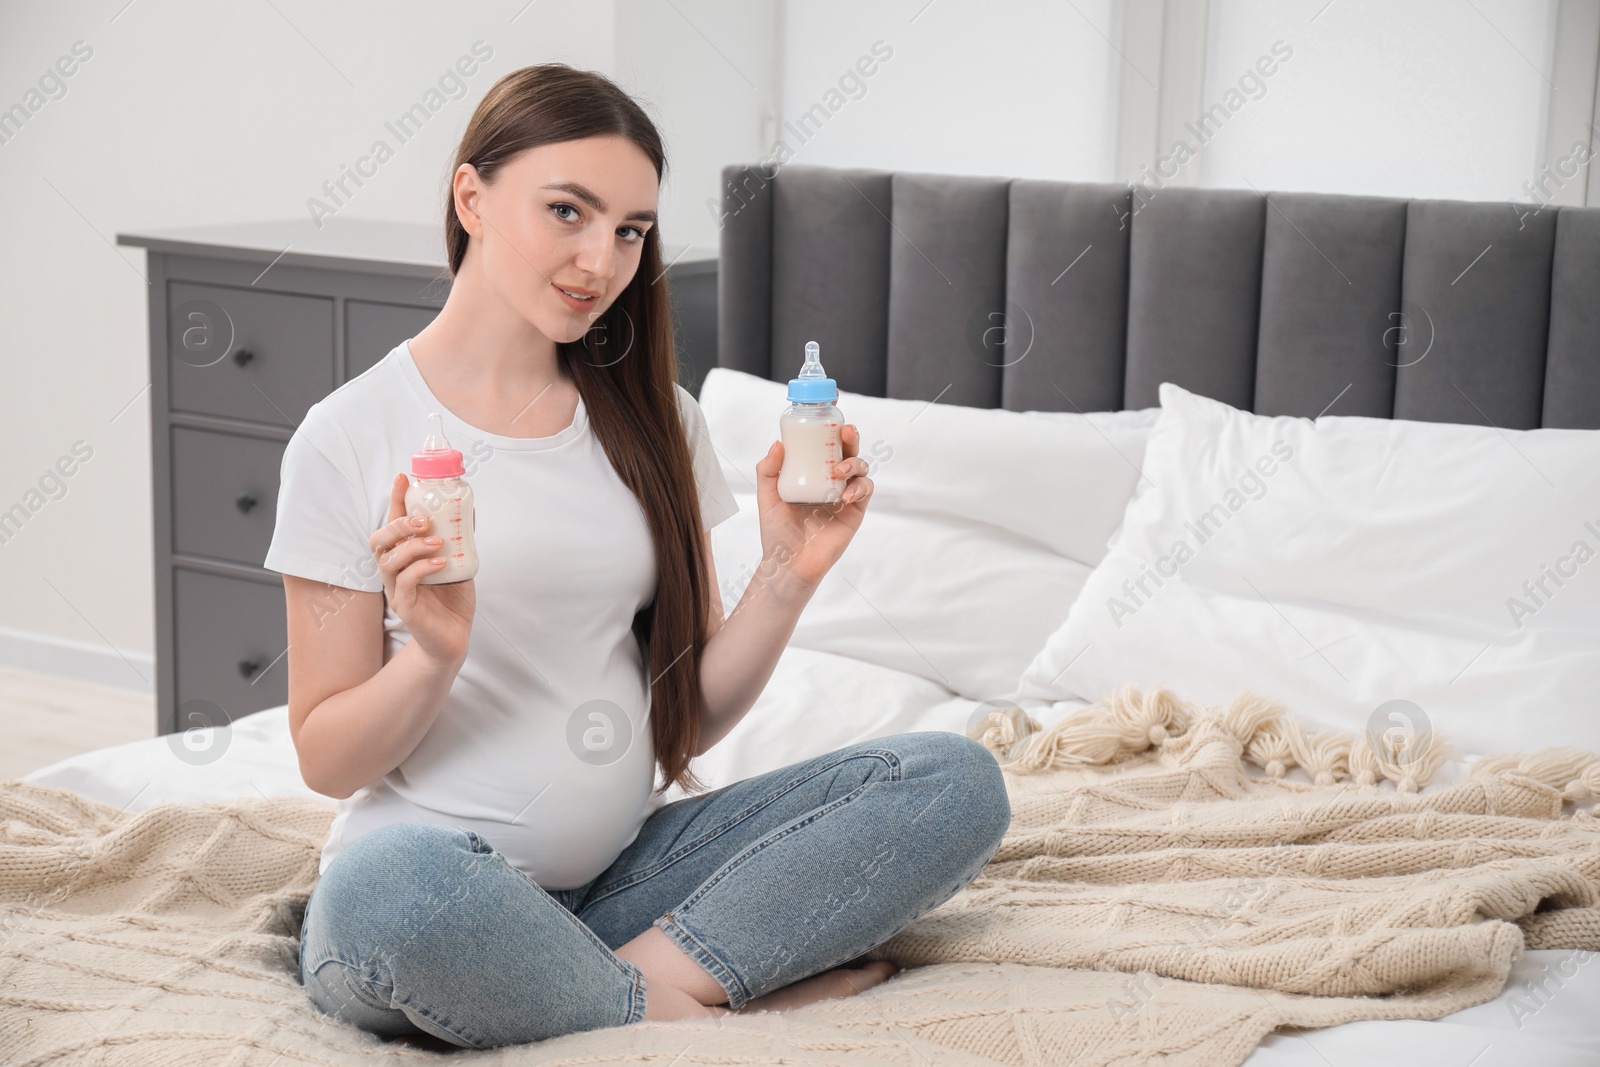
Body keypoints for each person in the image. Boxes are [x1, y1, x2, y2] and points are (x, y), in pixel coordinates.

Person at [266, 61, 1011, 1051]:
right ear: (471, 196)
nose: (601, 258)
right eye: (567, 211)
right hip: (429, 896)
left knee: (952, 780)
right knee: (386, 891)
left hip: (622, 887)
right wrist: (434, 653)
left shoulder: (659, 420)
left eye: (629, 230)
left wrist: (789, 572)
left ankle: (622, 979)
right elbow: (326, 756)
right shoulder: (348, 433)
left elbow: (683, 720)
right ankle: (683, 1002)